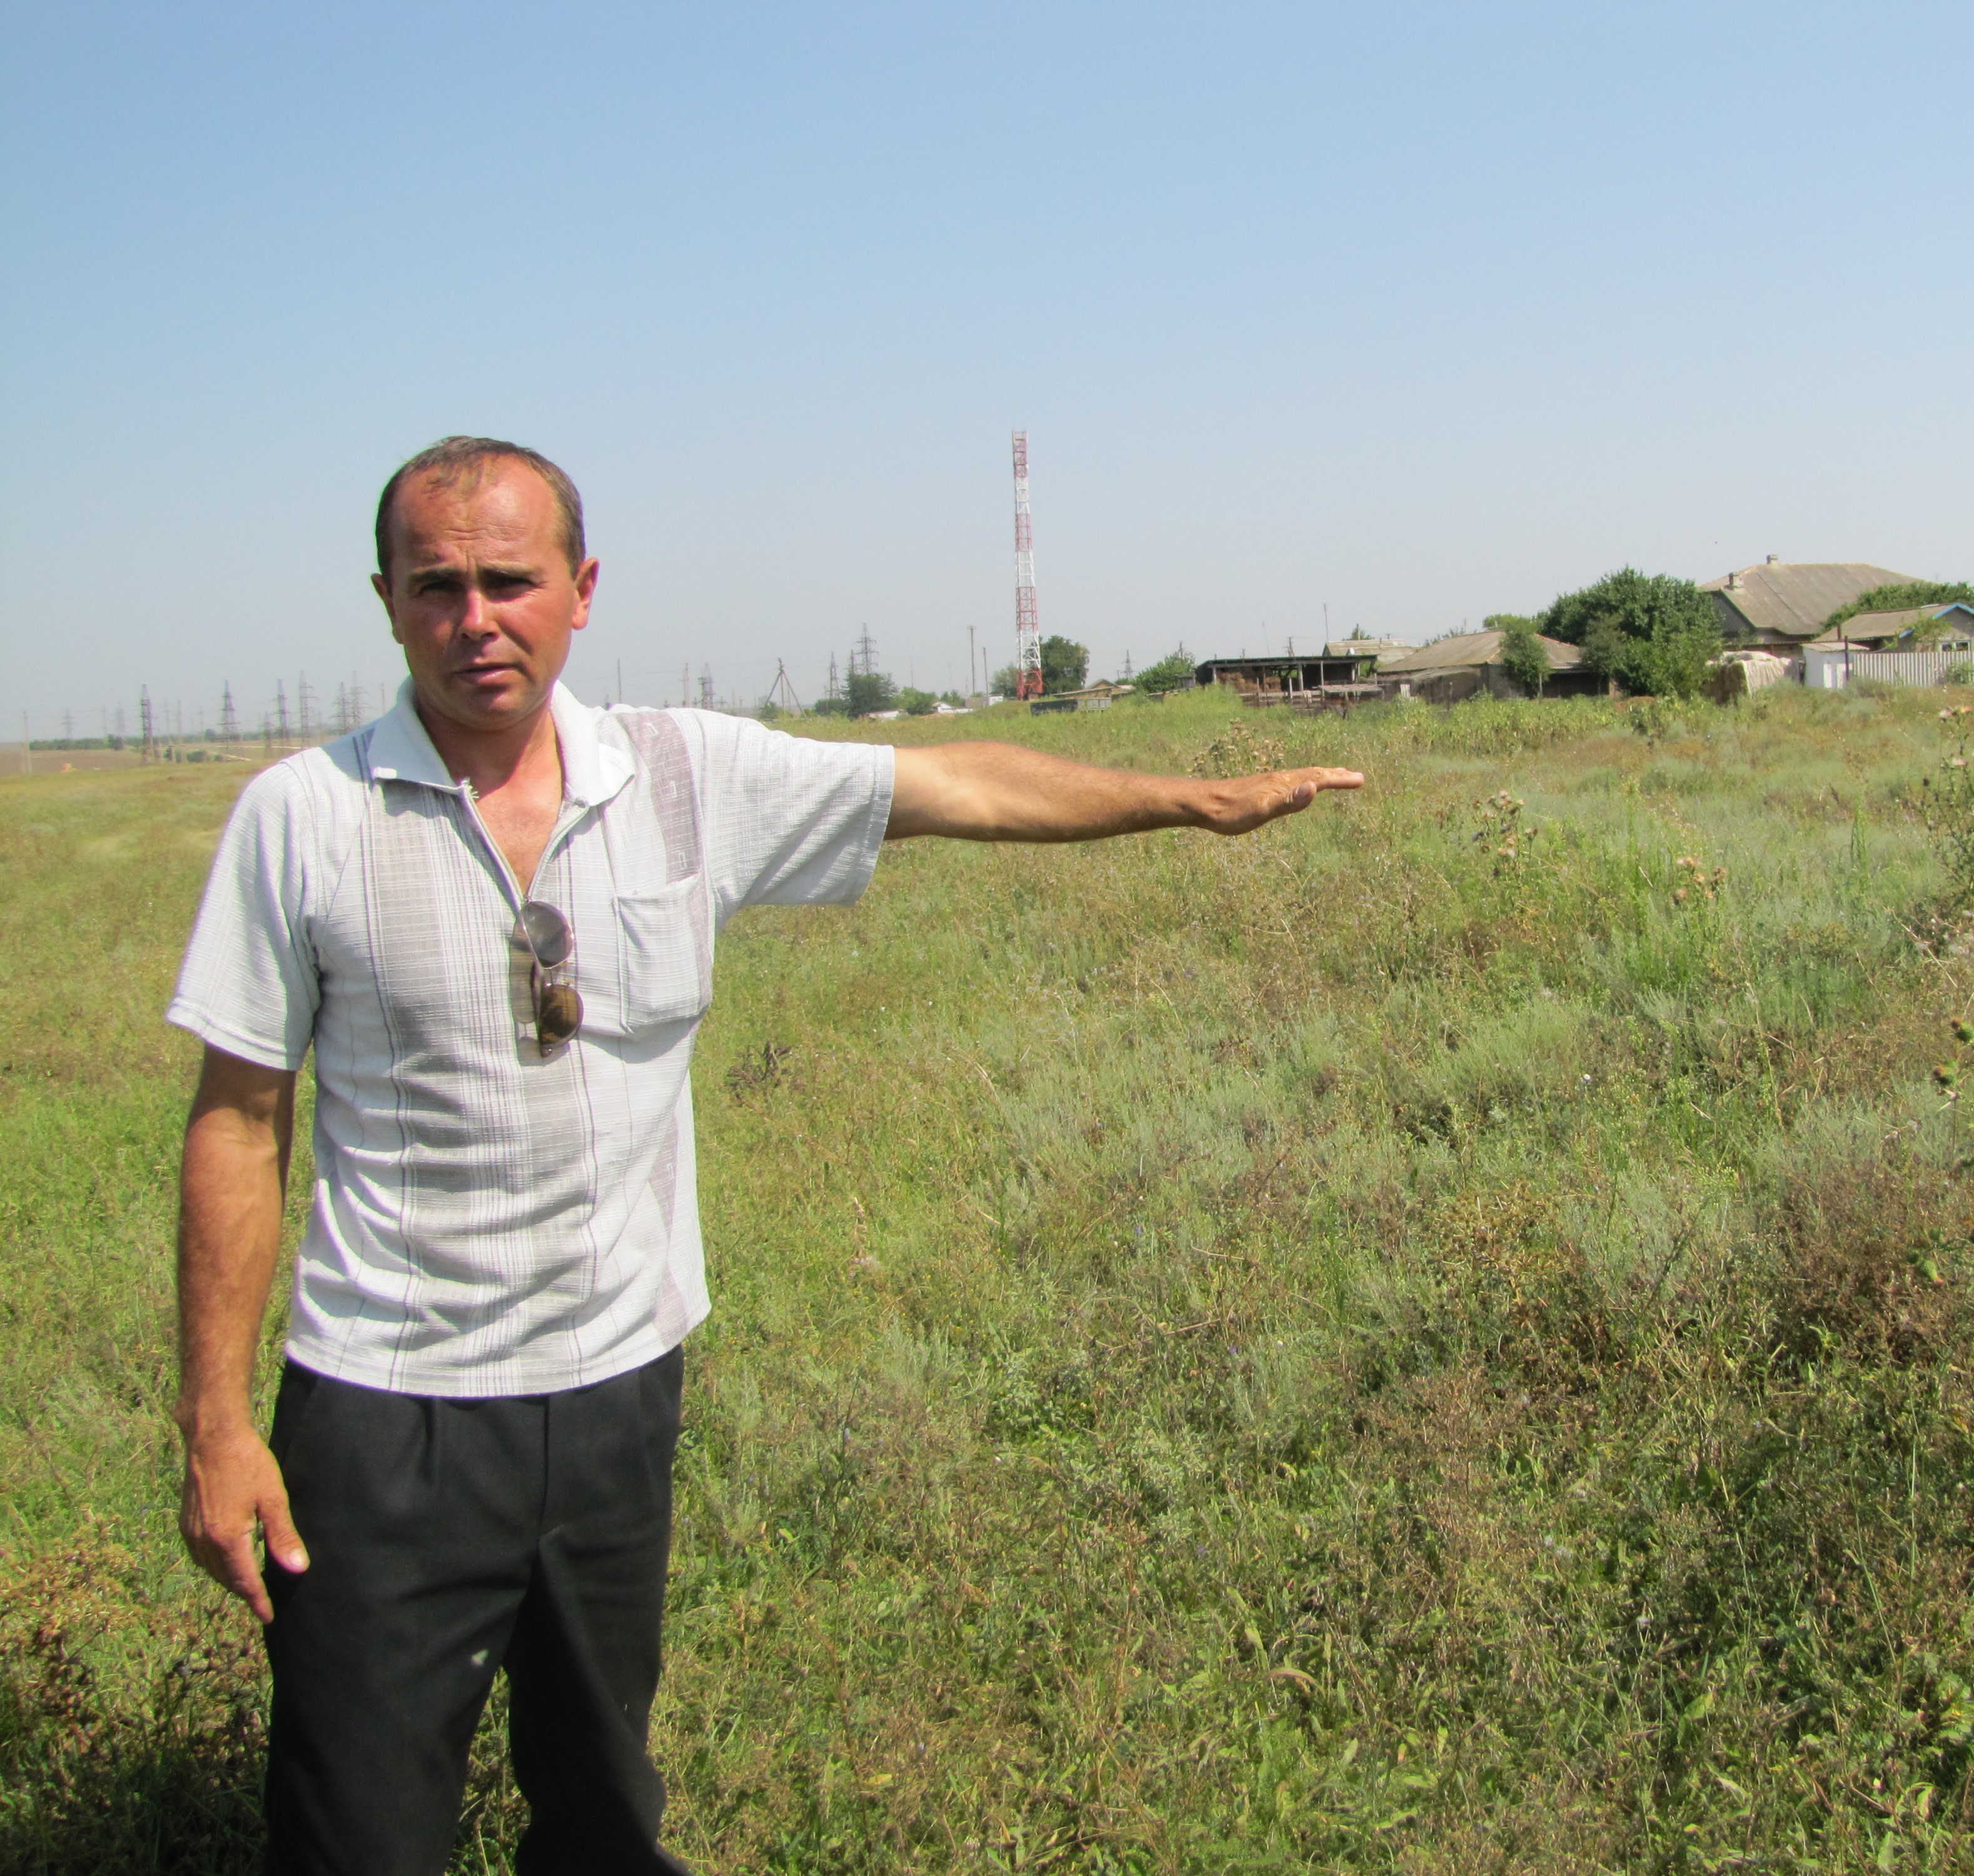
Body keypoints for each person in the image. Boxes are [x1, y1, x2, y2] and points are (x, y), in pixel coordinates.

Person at [169, 435, 1364, 1874]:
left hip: (617, 1394)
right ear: (385, 600)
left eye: (508, 581)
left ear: (581, 588)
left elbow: (958, 789)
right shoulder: (304, 820)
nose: (474, 620)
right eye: (436, 588)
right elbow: (239, 1117)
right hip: (389, 1413)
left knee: (605, 1810)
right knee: (357, 1828)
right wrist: (219, 1424)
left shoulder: (681, 775)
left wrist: (1194, 802)